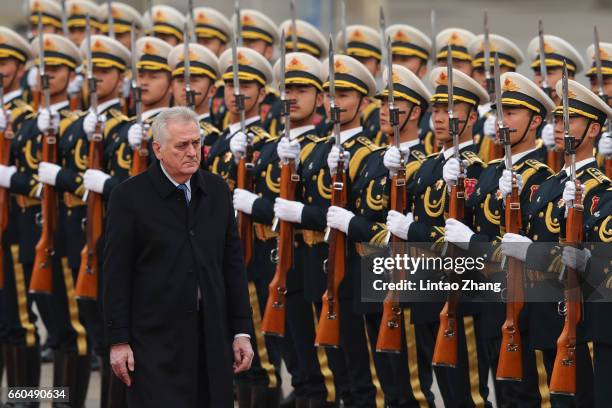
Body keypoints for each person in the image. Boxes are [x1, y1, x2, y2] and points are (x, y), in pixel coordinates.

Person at [104, 106, 254, 407]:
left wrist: (241, 331)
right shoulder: (129, 197)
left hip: (210, 336)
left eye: (196, 143)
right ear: (158, 149)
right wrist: (118, 340)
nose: (192, 152)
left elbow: (232, 266)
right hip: (155, 341)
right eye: (182, 145)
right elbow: (115, 275)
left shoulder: (215, 190)